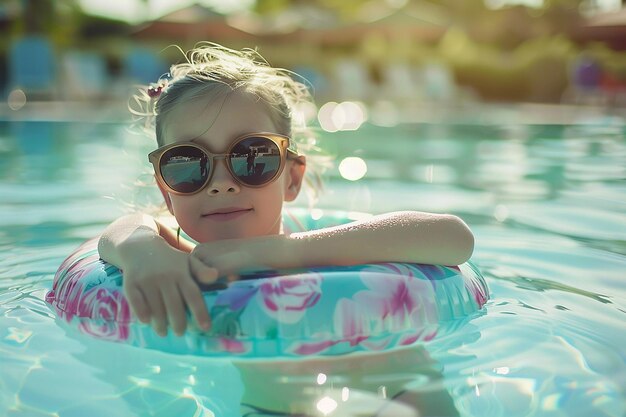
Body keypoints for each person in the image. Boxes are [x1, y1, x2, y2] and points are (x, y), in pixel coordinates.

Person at [98, 43, 474, 338]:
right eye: (186, 162)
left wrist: (272, 252)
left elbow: (454, 238)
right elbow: (122, 231)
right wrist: (141, 253)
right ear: (166, 192)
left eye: (252, 156)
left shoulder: (317, 252)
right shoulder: (177, 259)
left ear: (291, 178)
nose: (222, 182)